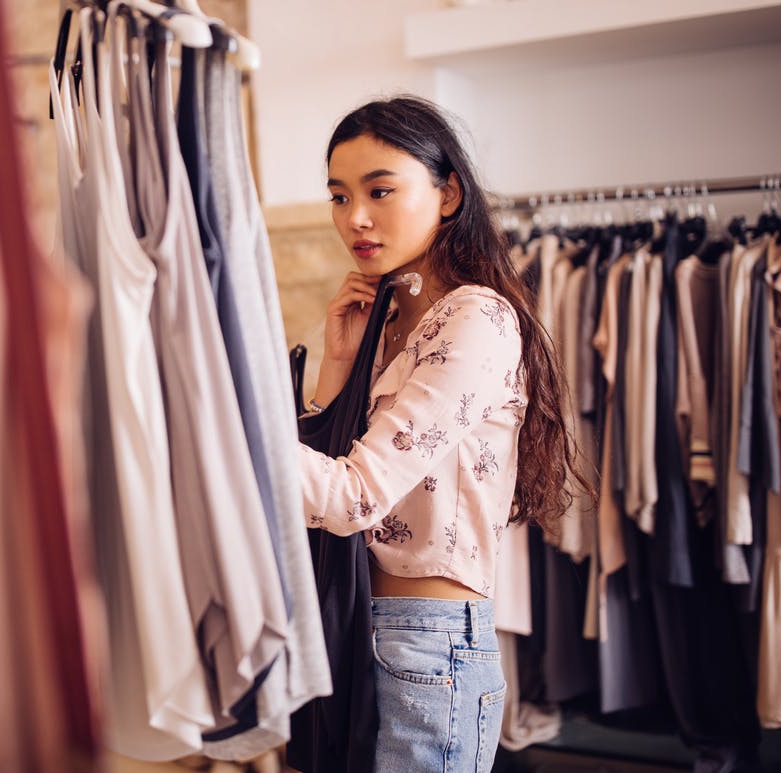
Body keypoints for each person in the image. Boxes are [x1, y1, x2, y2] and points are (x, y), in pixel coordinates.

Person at [298, 96, 587, 771]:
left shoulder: (476, 318)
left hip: (429, 645)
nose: (354, 218)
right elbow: (328, 487)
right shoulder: (392, 318)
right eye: (339, 196)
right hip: (360, 628)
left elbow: (351, 497)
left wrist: (229, 429)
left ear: (448, 191)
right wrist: (339, 362)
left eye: (380, 190)